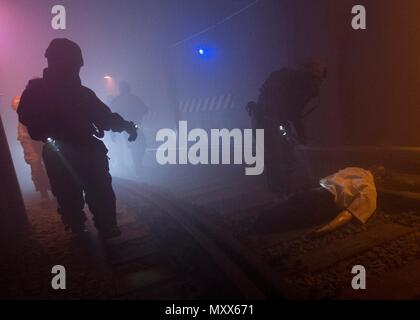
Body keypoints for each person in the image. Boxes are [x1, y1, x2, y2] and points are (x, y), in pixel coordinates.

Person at [17, 38, 138, 239]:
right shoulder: (72, 93)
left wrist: (126, 126)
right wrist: (127, 127)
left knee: (75, 193)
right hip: (76, 149)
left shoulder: (39, 92)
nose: (75, 69)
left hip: (66, 150)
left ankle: (84, 225)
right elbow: (105, 118)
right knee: (89, 191)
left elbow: (104, 117)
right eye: (74, 65)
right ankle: (95, 225)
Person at [247, 60, 327, 196]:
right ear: (304, 75)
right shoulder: (283, 79)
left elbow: (295, 114)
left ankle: (291, 187)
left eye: (318, 80)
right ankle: (278, 193)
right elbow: (270, 108)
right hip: (263, 119)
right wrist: (281, 130)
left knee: (288, 153)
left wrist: (302, 135)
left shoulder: (306, 89)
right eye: (313, 78)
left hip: (279, 119)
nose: (315, 84)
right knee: (275, 155)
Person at [254, 166, 383, 236]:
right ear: (378, 177)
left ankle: (259, 218)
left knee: (288, 204)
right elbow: (349, 213)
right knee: (290, 218)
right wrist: (324, 229)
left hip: (317, 190)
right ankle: (259, 227)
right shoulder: (369, 188)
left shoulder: (354, 169)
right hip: (325, 204)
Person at [11, 95, 51, 201]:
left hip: (39, 138)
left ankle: (52, 190)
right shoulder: (21, 102)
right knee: (35, 165)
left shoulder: (36, 110)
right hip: (28, 139)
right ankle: (44, 193)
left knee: (49, 164)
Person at [111, 81, 148, 175]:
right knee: (138, 145)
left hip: (123, 127)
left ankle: (135, 166)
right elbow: (145, 110)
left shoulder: (117, 100)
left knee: (136, 145)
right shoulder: (133, 99)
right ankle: (137, 167)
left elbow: (144, 110)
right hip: (130, 126)